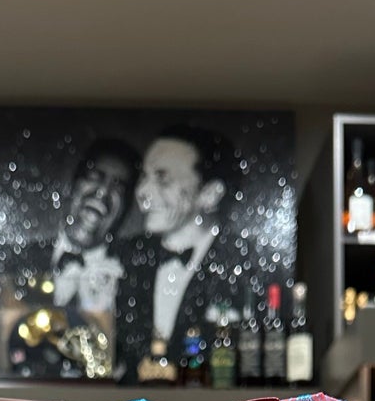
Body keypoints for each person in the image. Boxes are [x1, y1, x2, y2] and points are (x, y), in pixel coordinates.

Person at [115, 124, 241, 379]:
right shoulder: (123, 256)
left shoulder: (243, 264)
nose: (142, 192)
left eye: (162, 178)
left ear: (210, 194)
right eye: (144, 177)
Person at [14, 137, 140, 314]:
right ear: (73, 186)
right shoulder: (16, 258)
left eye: (118, 187)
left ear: (125, 208)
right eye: (95, 177)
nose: (103, 191)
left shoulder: (134, 281)